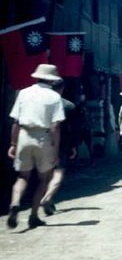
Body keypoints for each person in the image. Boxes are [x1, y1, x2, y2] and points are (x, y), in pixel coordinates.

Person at [6, 64, 65, 229]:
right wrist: (55, 150)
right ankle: (33, 215)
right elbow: (55, 127)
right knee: (43, 179)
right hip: (43, 138)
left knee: (22, 177)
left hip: (24, 135)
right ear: (52, 80)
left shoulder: (24, 93)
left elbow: (16, 122)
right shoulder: (54, 98)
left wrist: (13, 144)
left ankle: (15, 202)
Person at [39, 79, 77, 216]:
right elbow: (73, 129)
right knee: (59, 172)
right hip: (62, 143)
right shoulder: (69, 106)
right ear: (62, 88)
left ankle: (49, 199)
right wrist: (73, 146)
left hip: (43, 141)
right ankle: (48, 198)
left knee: (46, 173)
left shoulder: (42, 104)